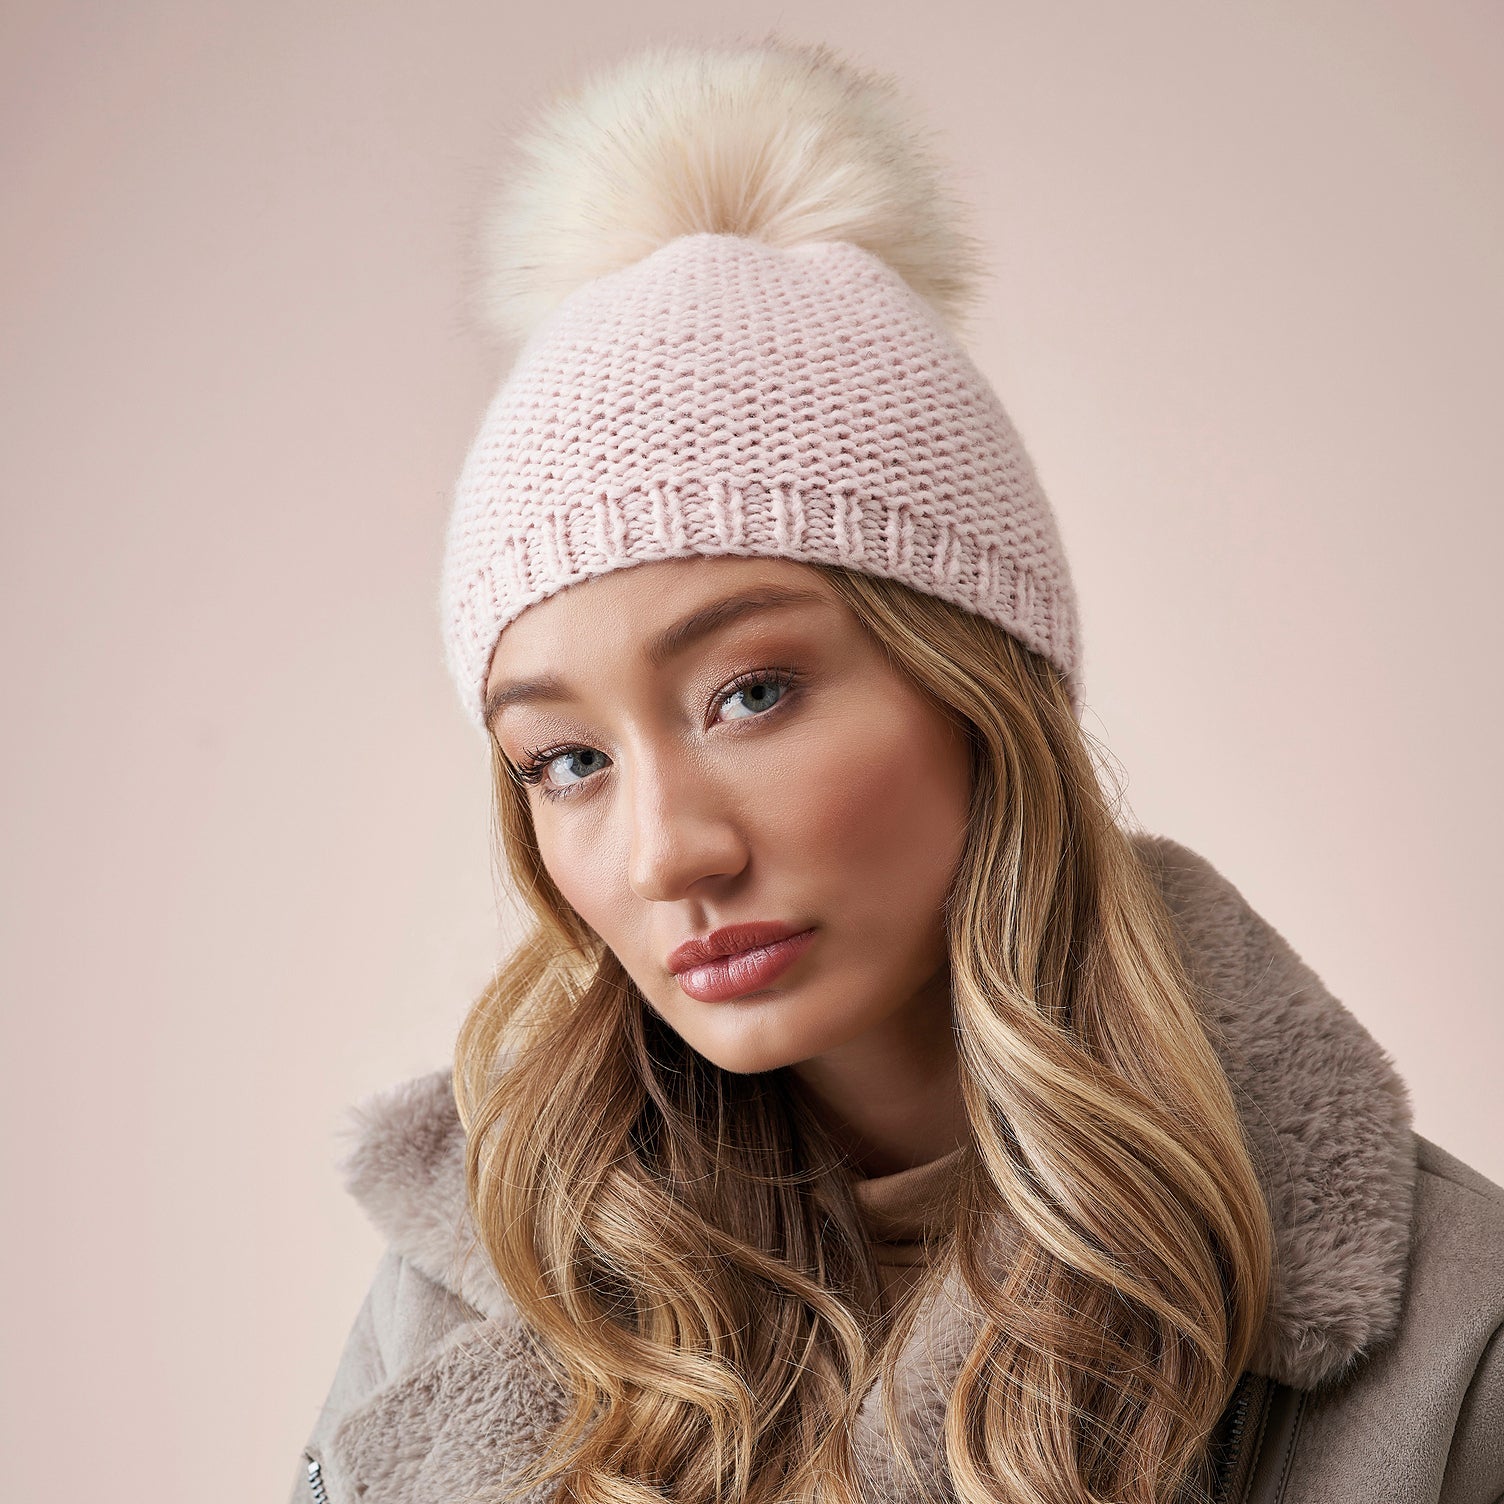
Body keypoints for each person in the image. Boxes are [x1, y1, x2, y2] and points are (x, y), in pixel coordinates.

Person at [289, 37, 1504, 1504]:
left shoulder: (1448, 1336)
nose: (667, 852)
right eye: (565, 760)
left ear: (980, 686)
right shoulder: (482, 1281)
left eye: (751, 691)